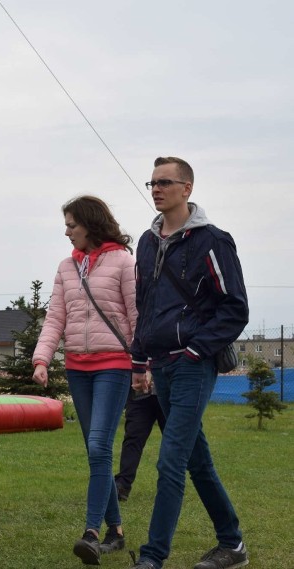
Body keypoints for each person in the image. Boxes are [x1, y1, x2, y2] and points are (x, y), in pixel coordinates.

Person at [129, 157, 249, 569]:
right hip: (159, 363)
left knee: (171, 459)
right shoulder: (147, 242)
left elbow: (235, 308)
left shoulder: (212, 240)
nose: (156, 189)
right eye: (152, 182)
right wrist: (139, 357)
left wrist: (198, 350)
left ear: (187, 188)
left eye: (165, 182)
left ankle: (152, 557)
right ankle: (232, 545)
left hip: (193, 364)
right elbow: (145, 304)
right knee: (196, 459)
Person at [32, 195, 137, 565]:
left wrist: (144, 364)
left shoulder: (124, 261)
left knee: (98, 447)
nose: (67, 232)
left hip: (114, 366)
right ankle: (116, 531)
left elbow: (137, 314)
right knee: (97, 452)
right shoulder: (66, 267)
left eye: (72, 225)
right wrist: (42, 358)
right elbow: (55, 317)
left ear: (91, 224)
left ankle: (91, 533)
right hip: (78, 367)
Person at [114, 374, 166, 502]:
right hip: (140, 392)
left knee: (173, 440)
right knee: (133, 437)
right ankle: (122, 485)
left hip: (169, 390)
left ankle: (169, 485)